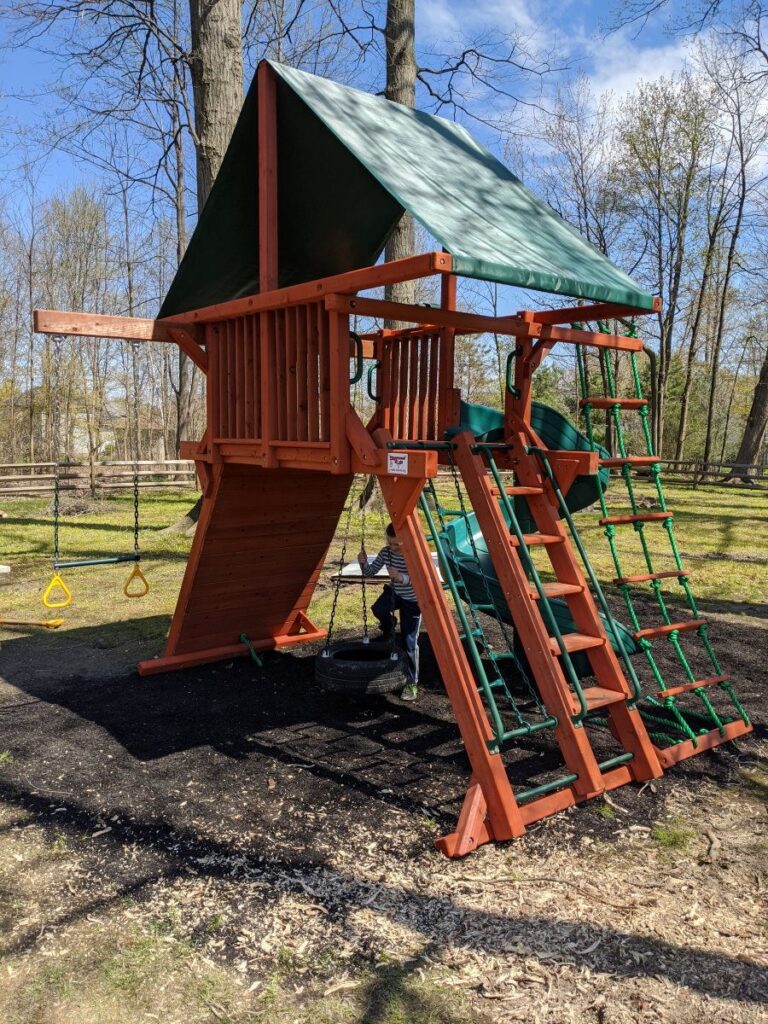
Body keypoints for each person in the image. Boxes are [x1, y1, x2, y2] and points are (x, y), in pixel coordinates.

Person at [358, 523, 421, 702]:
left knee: (409, 641)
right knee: (378, 609)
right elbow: (370, 573)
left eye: (397, 545)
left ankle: (411, 682)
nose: (392, 548)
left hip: (412, 600)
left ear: (406, 542)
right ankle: (388, 627)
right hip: (395, 593)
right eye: (390, 543)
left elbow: (423, 579)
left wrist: (403, 578)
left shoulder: (413, 555)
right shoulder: (386, 552)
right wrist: (364, 563)